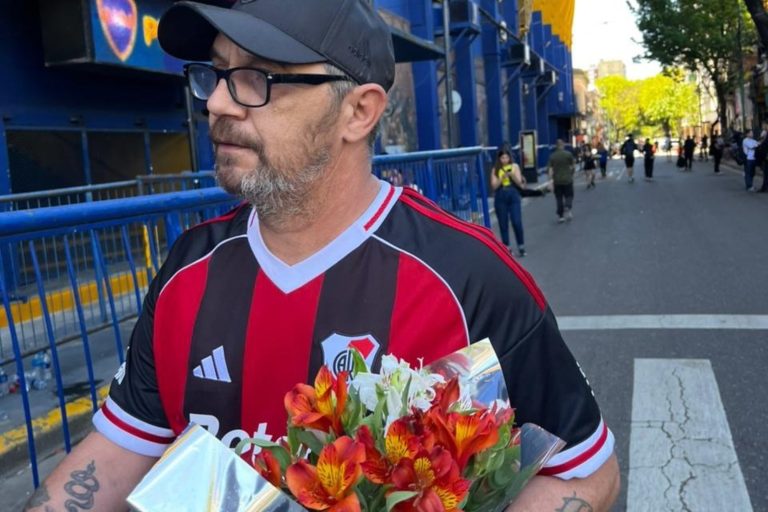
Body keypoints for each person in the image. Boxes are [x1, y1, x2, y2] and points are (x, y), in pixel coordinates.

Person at [24, 1, 618, 511]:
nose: (218, 106)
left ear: (358, 112)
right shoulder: (187, 272)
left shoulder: (467, 278)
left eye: (258, 79)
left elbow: (587, 470)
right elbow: (121, 447)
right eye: (218, 74)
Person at [490, 149, 526, 257]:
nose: (505, 160)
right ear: (499, 159)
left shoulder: (515, 166)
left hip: (513, 194)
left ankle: (521, 245)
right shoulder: (495, 169)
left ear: (509, 158)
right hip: (501, 196)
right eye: (502, 158)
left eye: (506, 157)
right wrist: (502, 178)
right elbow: (494, 186)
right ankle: (507, 247)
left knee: (516, 221)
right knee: (503, 223)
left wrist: (512, 175)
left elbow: (520, 183)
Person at [548, 139, 577, 222]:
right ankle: (568, 206)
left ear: (556, 146)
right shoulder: (568, 154)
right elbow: (573, 166)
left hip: (557, 181)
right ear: (563, 145)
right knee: (569, 195)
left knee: (559, 198)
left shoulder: (552, 156)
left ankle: (561, 216)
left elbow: (550, 169)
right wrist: (571, 173)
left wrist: (550, 181)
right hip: (567, 179)